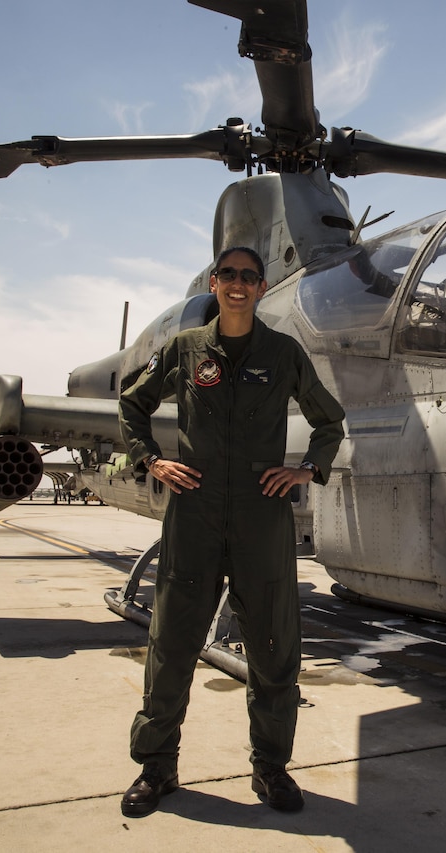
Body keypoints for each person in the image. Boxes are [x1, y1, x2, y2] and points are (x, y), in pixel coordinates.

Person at [117, 246, 346, 818]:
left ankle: (271, 770)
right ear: (215, 283)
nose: (238, 285)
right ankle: (157, 767)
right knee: (171, 645)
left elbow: (329, 420)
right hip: (193, 517)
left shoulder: (284, 353)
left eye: (249, 277)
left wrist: (307, 469)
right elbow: (132, 405)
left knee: (272, 649)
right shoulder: (185, 350)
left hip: (260, 519)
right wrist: (150, 460)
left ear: (261, 287)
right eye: (229, 276)